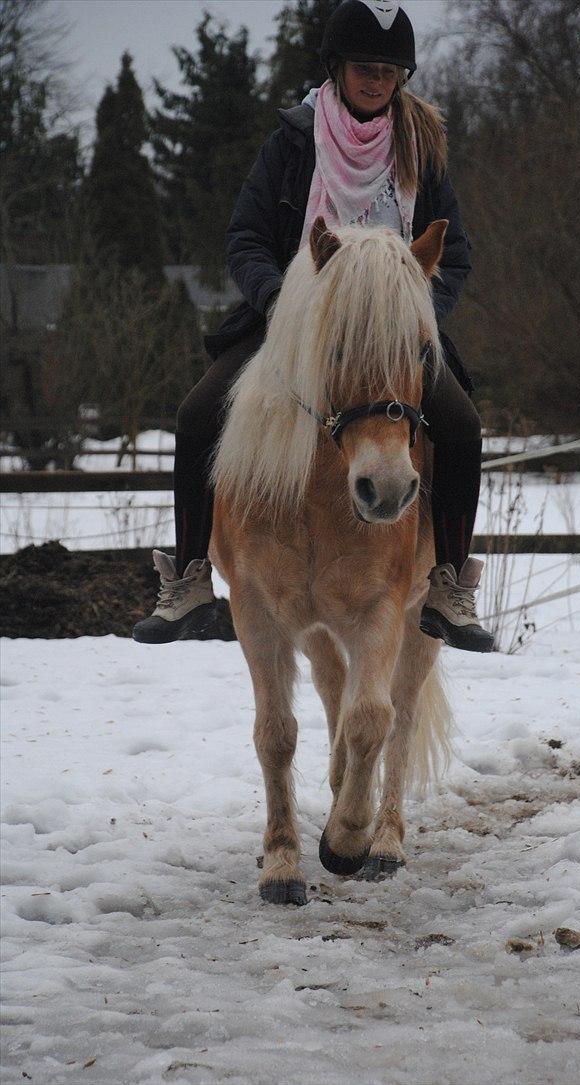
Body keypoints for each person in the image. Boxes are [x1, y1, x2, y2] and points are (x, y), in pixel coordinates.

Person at [133, 0, 494, 653]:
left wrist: (412, 316)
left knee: (462, 425)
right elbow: (246, 238)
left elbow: (456, 253)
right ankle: (188, 578)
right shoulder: (294, 141)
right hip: (293, 321)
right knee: (197, 413)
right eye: (364, 68)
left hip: (389, 332)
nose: (376, 81)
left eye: (388, 71)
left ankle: (448, 583)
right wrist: (280, 300)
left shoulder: (421, 149)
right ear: (337, 67)